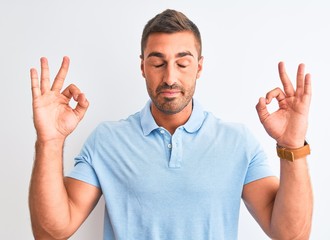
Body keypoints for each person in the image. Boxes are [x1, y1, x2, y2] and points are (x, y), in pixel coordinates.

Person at [29, 9, 313, 240]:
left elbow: (291, 235)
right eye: (158, 62)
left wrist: (292, 146)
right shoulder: (107, 140)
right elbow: (51, 232)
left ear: (199, 67)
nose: (169, 77)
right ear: (142, 66)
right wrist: (50, 142)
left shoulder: (237, 142)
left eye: (182, 62)